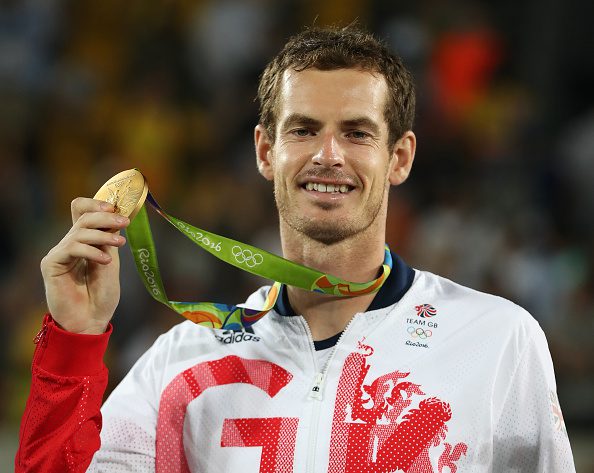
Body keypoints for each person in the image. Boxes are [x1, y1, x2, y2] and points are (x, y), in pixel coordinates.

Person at [16, 26, 575, 472]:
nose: (327, 155)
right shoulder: (183, 363)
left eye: (356, 133)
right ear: (265, 150)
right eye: (303, 130)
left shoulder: (496, 339)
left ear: (400, 158)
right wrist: (76, 338)